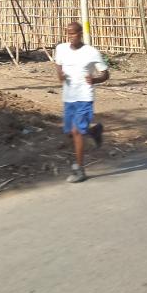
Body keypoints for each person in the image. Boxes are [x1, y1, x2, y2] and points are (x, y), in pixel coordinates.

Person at [55, 22, 109, 183]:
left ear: (80, 33)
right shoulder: (61, 49)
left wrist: (95, 79)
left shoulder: (91, 52)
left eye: (74, 33)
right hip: (68, 97)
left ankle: (80, 170)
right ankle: (94, 132)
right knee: (70, 133)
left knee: (77, 131)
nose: (71, 36)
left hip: (85, 97)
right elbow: (58, 65)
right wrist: (60, 75)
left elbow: (105, 74)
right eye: (69, 33)